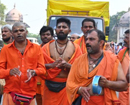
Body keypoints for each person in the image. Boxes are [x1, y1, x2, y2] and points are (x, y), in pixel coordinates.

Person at [66, 29, 128, 105]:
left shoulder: (112, 60)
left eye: (91, 39)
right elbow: (70, 84)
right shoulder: (78, 61)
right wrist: (79, 89)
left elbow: (124, 85)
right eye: (87, 39)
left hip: (104, 102)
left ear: (101, 42)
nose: (87, 42)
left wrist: (107, 83)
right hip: (83, 102)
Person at [0, 22, 46, 105]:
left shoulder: (36, 48)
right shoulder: (5, 49)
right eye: (16, 31)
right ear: (12, 34)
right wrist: (9, 72)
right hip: (10, 94)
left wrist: (34, 72)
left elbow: (43, 70)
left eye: (21, 30)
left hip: (30, 95)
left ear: (26, 32)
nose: (19, 33)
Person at [42, 17, 82, 105]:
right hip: (49, 86)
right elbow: (39, 66)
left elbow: (80, 69)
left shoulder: (76, 48)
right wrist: (51, 65)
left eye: (64, 27)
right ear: (55, 30)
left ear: (69, 30)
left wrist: (68, 66)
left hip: (66, 86)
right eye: (59, 27)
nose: (61, 29)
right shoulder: (46, 47)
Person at [36, 26, 54, 105]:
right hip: (38, 84)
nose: (45, 36)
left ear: (52, 36)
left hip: (52, 82)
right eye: (43, 34)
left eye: (48, 34)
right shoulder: (36, 49)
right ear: (40, 36)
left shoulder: (56, 50)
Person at [118, 29, 130, 105]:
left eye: (127, 38)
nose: (124, 40)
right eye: (124, 37)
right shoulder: (122, 52)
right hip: (124, 89)